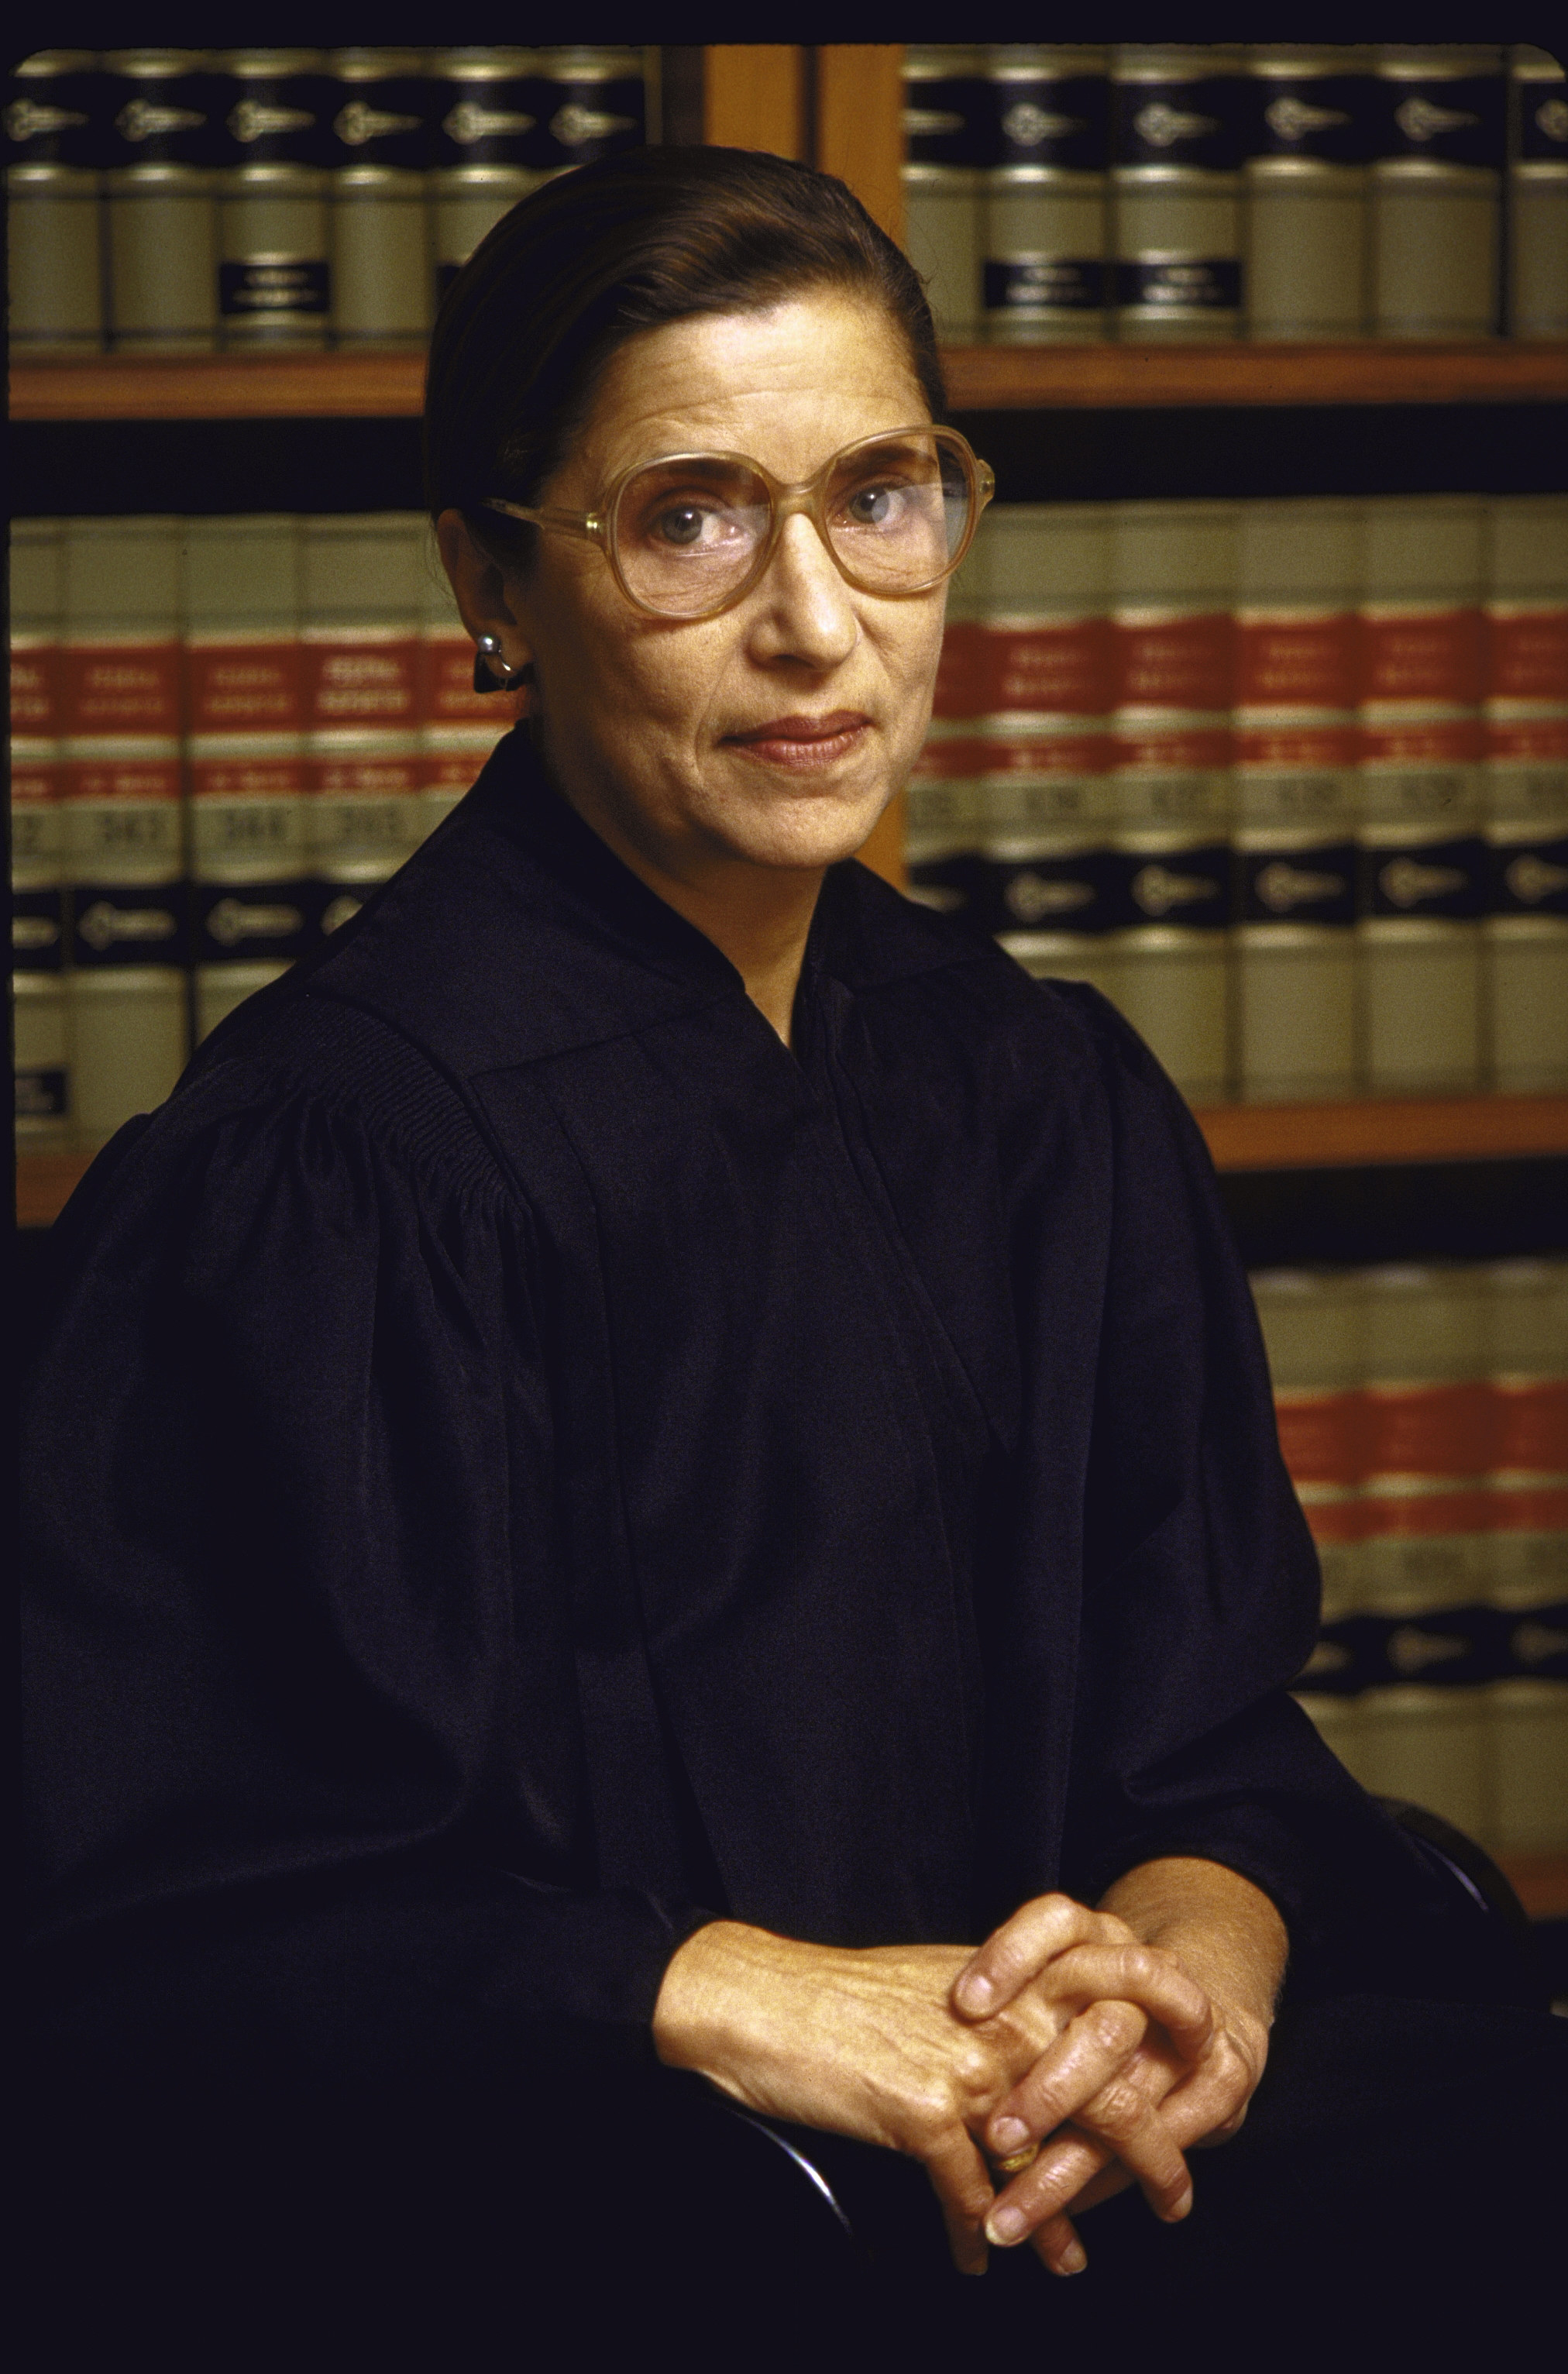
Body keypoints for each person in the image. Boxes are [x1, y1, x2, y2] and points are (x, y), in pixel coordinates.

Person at [21, 148, 1565, 2359]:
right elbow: (176, 1937)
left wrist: (1187, 1970)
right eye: (691, 517)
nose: (819, 622)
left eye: (883, 492)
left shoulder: (1043, 1094)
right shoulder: (329, 1173)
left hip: (1063, 2139)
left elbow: (1205, 1745)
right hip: (593, 2213)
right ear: (490, 575)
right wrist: (735, 1997)